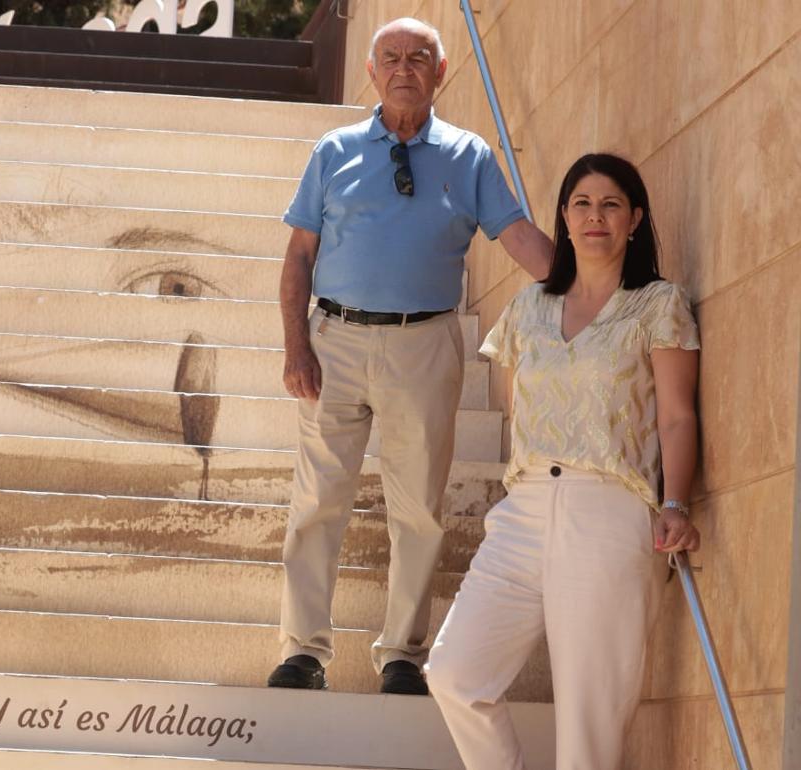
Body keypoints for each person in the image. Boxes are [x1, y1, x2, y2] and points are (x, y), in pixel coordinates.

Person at [268, 17, 554, 695]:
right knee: (317, 502)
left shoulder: (469, 155)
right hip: (335, 342)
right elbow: (299, 255)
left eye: (418, 58)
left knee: (420, 509)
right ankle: (302, 651)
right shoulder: (334, 150)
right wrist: (295, 346)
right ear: (372, 72)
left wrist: (589, 286)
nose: (404, 68)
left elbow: (517, 236)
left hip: (425, 344)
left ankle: (401, 653)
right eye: (391, 57)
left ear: (440, 71)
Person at [425, 153, 701, 769]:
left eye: (610, 205)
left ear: (635, 219)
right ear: (565, 218)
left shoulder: (658, 304)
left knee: (588, 723)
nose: (595, 216)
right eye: (582, 204)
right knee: (454, 672)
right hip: (522, 510)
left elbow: (677, 417)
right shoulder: (528, 307)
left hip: (608, 512)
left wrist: (676, 503)